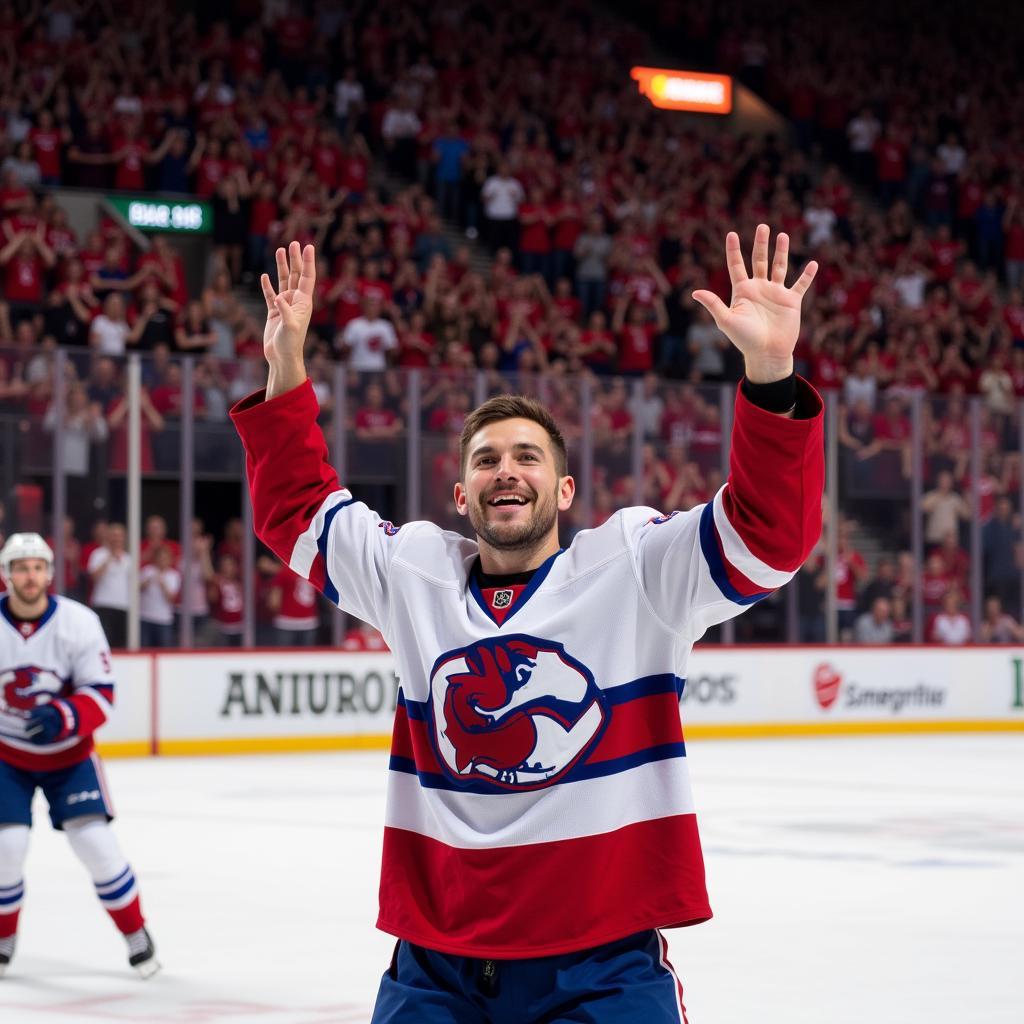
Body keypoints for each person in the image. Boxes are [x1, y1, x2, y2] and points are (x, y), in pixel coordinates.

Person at [230, 229, 823, 1023]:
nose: (505, 470)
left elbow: (765, 535)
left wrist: (771, 374)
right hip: (435, 965)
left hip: (600, 966)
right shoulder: (414, 575)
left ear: (566, 489)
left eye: (527, 457)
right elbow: (297, 512)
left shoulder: (635, 572)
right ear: (461, 495)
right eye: (485, 460)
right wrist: (286, 369)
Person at [0, 533, 158, 978]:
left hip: (69, 757)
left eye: (36, 567)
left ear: (49, 573)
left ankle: (136, 932)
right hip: (6, 755)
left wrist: (62, 716)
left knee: (96, 846)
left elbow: (102, 695)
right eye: (19, 566)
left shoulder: (78, 622)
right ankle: (4, 935)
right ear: (6, 574)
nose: (28, 575)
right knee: (6, 849)